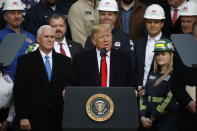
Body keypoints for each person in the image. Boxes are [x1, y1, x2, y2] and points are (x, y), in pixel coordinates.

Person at [13, 25, 71, 131]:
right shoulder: (25, 61)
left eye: (52, 37)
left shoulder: (65, 61)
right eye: (46, 36)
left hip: (58, 118)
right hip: (33, 117)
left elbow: (68, 85)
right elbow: (19, 91)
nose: (50, 40)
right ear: (38, 39)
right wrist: (23, 116)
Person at [0, 0, 35, 130]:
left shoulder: (31, 37)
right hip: (5, 89)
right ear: (5, 16)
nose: (16, 16)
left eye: (19, 13)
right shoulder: (1, 36)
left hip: (26, 89)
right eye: (12, 13)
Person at [71, 24, 137, 87]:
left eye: (108, 36)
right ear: (94, 41)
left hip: (116, 97)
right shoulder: (80, 59)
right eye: (101, 37)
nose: (106, 40)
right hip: (90, 97)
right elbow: (71, 82)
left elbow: (132, 81)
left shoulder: (124, 58)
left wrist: (134, 90)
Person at [139, 38, 178, 131]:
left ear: (171, 55)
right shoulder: (152, 74)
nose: (160, 56)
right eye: (157, 54)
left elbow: (170, 99)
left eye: (163, 54)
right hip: (148, 121)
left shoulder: (175, 75)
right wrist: (142, 116)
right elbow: (144, 95)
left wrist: (153, 117)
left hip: (166, 122)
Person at [134, 4, 167, 89]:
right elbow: (134, 69)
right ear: (145, 23)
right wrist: (138, 86)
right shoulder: (137, 43)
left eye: (156, 22)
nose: (152, 25)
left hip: (159, 92)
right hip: (138, 91)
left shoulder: (169, 44)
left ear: (162, 24)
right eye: (149, 22)